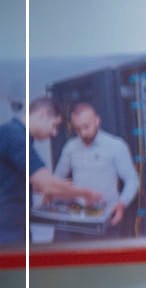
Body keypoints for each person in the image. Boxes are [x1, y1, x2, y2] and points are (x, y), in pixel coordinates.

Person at [1, 97, 103, 242]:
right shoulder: (14, 135)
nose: (54, 133)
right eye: (54, 125)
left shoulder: (18, 135)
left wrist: (61, 188)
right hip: (7, 231)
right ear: (42, 114)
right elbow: (46, 184)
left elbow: (19, 183)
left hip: (16, 226)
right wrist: (85, 193)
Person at [51, 99, 138, 232]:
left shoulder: (116, 146)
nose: (83, 133)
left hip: (108, 216)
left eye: (86, 127)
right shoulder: (70, 147)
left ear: (97, 121)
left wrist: (122, 204)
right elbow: (57, 179)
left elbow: (132, 180)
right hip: (78, 216)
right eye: (77, 129)